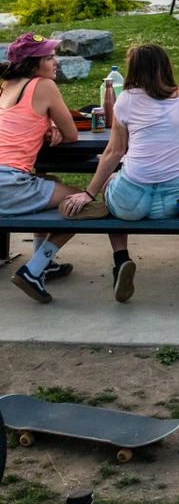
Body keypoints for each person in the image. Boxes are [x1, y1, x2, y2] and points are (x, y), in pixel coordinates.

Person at [58, 43, 179, 302]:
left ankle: (121, 258)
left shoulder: (127, 100)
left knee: (112, 182)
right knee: (127, 184)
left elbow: (114, 152)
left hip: (130, 203)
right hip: (173, 203)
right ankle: (121, 259)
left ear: (134, 71)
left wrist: (89, 192)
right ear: (166, 67)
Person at [3, 33, 120, 304]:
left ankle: (45, 264)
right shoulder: (43, 85)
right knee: (82, 204)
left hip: (7, 181)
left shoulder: (6, 86)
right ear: (32, 64)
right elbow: (72, 135)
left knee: (48, 179)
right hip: (8, 184)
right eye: (48, 57)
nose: (55, 62)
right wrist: (56, 128)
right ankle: (34, 270)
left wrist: (48, 127)